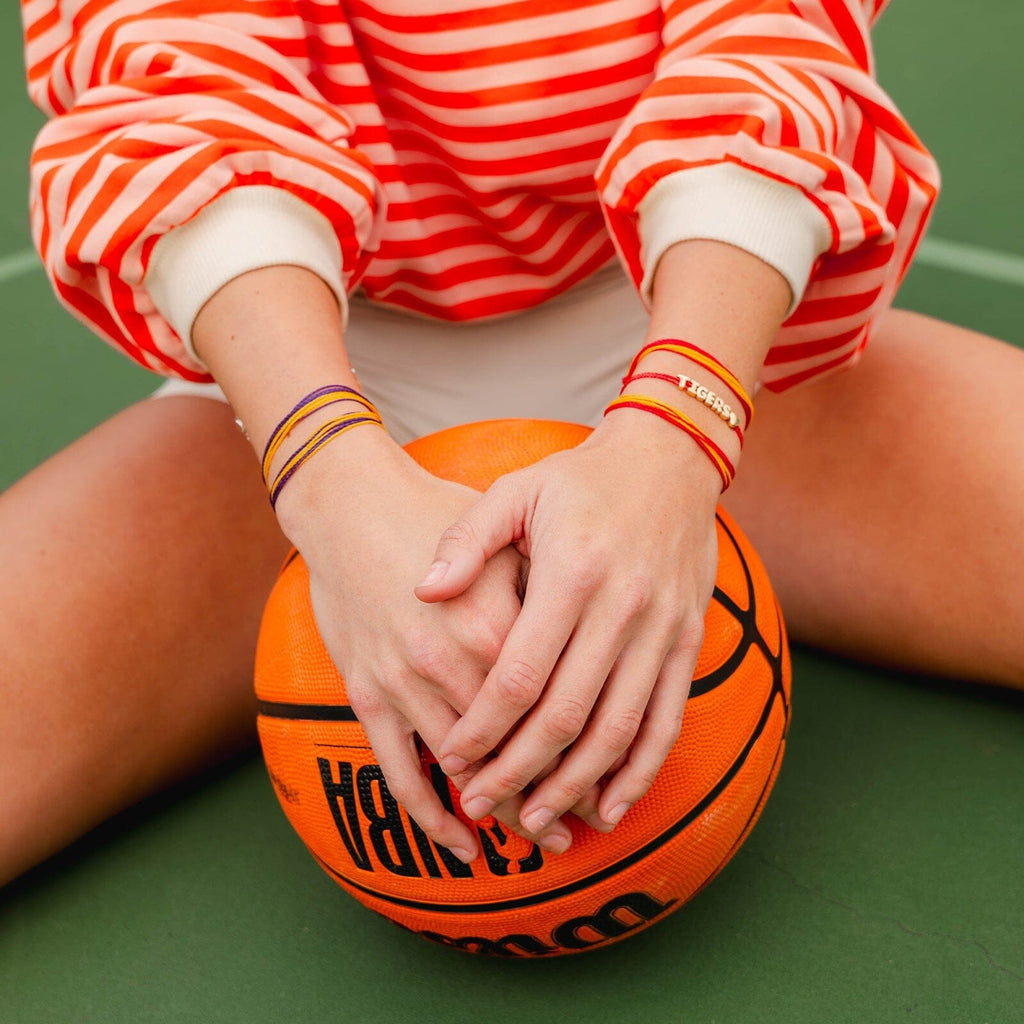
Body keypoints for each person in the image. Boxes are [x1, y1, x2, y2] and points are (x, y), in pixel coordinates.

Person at [4, 0, 1022, 885]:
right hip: (300, 367)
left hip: (676, 321)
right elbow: (181, 86)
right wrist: (330, 476)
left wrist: (675, 429)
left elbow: (765, 38)